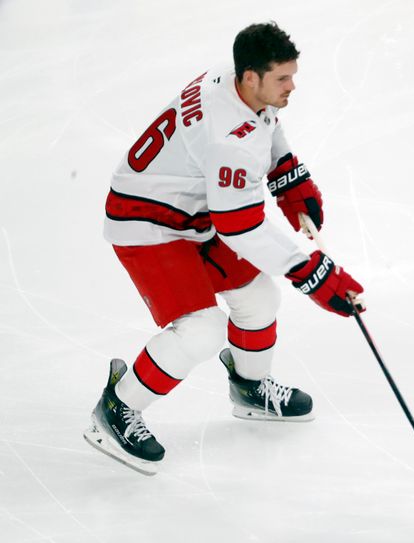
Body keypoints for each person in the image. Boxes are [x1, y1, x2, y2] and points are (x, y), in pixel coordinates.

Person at [83, 22, 364, 475]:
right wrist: (314, 273)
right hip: (147, 224)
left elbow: (264, 127)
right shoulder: (226, 138)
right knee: (201, 330)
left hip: (194, 212)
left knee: (258, 298)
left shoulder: (232, 81)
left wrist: (287, 174)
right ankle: (116, 408)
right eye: (282, 79)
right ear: (251, 77)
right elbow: (241, 228)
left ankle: (250, 389)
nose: (292, 86)